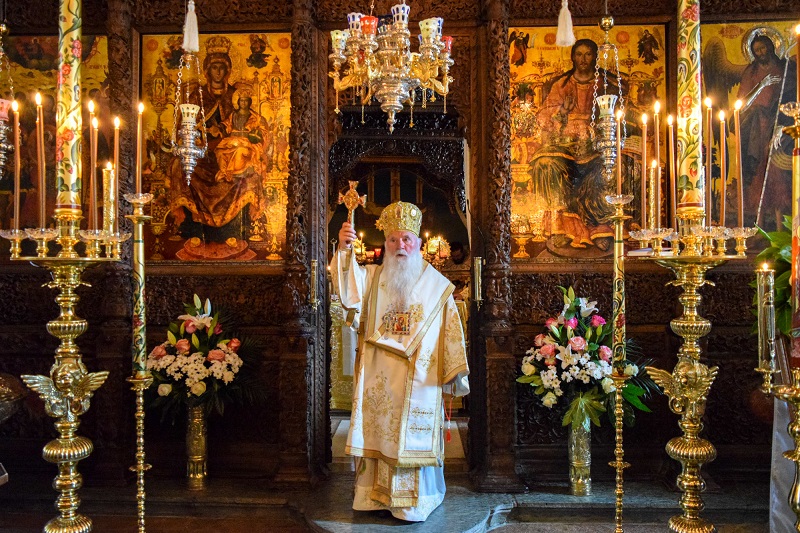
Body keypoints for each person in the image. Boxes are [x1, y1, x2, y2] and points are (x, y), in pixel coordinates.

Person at [330, 201, 469, 522]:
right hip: (378, 377)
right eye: (393, 239)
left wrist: (453, 371)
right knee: (379, 432)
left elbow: (451, 328)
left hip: (420, 379)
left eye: (406, 239)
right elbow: (350, 293)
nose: (400, 245)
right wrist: (344, 249)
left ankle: (413, 503)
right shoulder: (373, 277)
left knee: (411, 437)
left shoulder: (436, 286)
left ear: (418, 243)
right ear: (385, 244)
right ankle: (372, 497)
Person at [529, 38, 620, 252]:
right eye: (579, 54)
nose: (583, 59)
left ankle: (600, 229)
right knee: (546, 164)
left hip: (597, 143)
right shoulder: (561, 85)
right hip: (566, 144)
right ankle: (563, 228)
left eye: (588, 54)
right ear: (572, 57)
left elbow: (621, 114)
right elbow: (543, 117)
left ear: (595, 57)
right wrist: (563, 111)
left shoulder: (606, 85)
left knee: (606, 169)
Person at [736, 34, 790, 224]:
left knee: (777, 171)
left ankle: (780, 225)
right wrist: (762, 85)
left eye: (763, 48)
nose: (761, 52)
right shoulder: (751, 72)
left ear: (771, 46)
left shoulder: (785, 68)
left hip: (779, 125)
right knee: (760, 171)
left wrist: (783, 124)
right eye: (756, 50)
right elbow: (741, 105)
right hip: (757, 128)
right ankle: (760, 223)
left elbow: (791, 97)